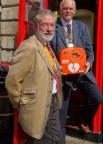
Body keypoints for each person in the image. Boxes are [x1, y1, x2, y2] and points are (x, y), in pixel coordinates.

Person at [5, 9, 63, 144]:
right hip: (37, 105)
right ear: (36, 26)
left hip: (53, 101)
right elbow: (12, 81)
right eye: (45, 25)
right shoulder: (29, 47)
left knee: (56, 139)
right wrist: (21, 104)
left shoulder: (46, 46)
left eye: (52, 25)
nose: (49, 29)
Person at [50, 0, 103, 143]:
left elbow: (89, 50)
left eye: (70, 8)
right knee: (61, 114)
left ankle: (84, 121)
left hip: (81, 74)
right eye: (65, 8)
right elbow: (49, 51)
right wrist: (57, 66)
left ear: (74, 10)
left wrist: (89, 63)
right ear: (60, 10)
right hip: (63, 76)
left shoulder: (82, 27)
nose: (67, 11)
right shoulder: (53, 26)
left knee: (97, 97)